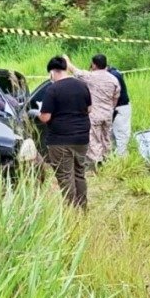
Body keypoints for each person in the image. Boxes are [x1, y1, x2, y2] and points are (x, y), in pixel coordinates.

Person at [39, 56, 92, 209]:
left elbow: (45, 117)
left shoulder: (53, 89)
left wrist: (38, 114)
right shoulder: (82, 86)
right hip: (82, 138)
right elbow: (89, 109)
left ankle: (71, 210)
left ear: (52, 72)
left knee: (65, 175)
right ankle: (82, 207)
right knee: (79, 173)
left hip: (60, 140)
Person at [65, 54, 120, 167]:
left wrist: (66, 60)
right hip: (108, 113)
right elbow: (116, 97)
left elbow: (74, 71)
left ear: (94, 64)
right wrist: (110, 108)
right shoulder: (114, 79)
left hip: (95, 114)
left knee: (94, 138)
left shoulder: (90, 76)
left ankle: (96, 163)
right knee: (106, 137)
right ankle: (108, 160)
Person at [108, 64, 132, 157]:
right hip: (116, 107)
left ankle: (122, 160)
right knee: (112, 134)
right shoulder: (114, 72)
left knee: (121, 135)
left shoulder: (113, 76)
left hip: (120, 108)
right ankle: (113, 157)